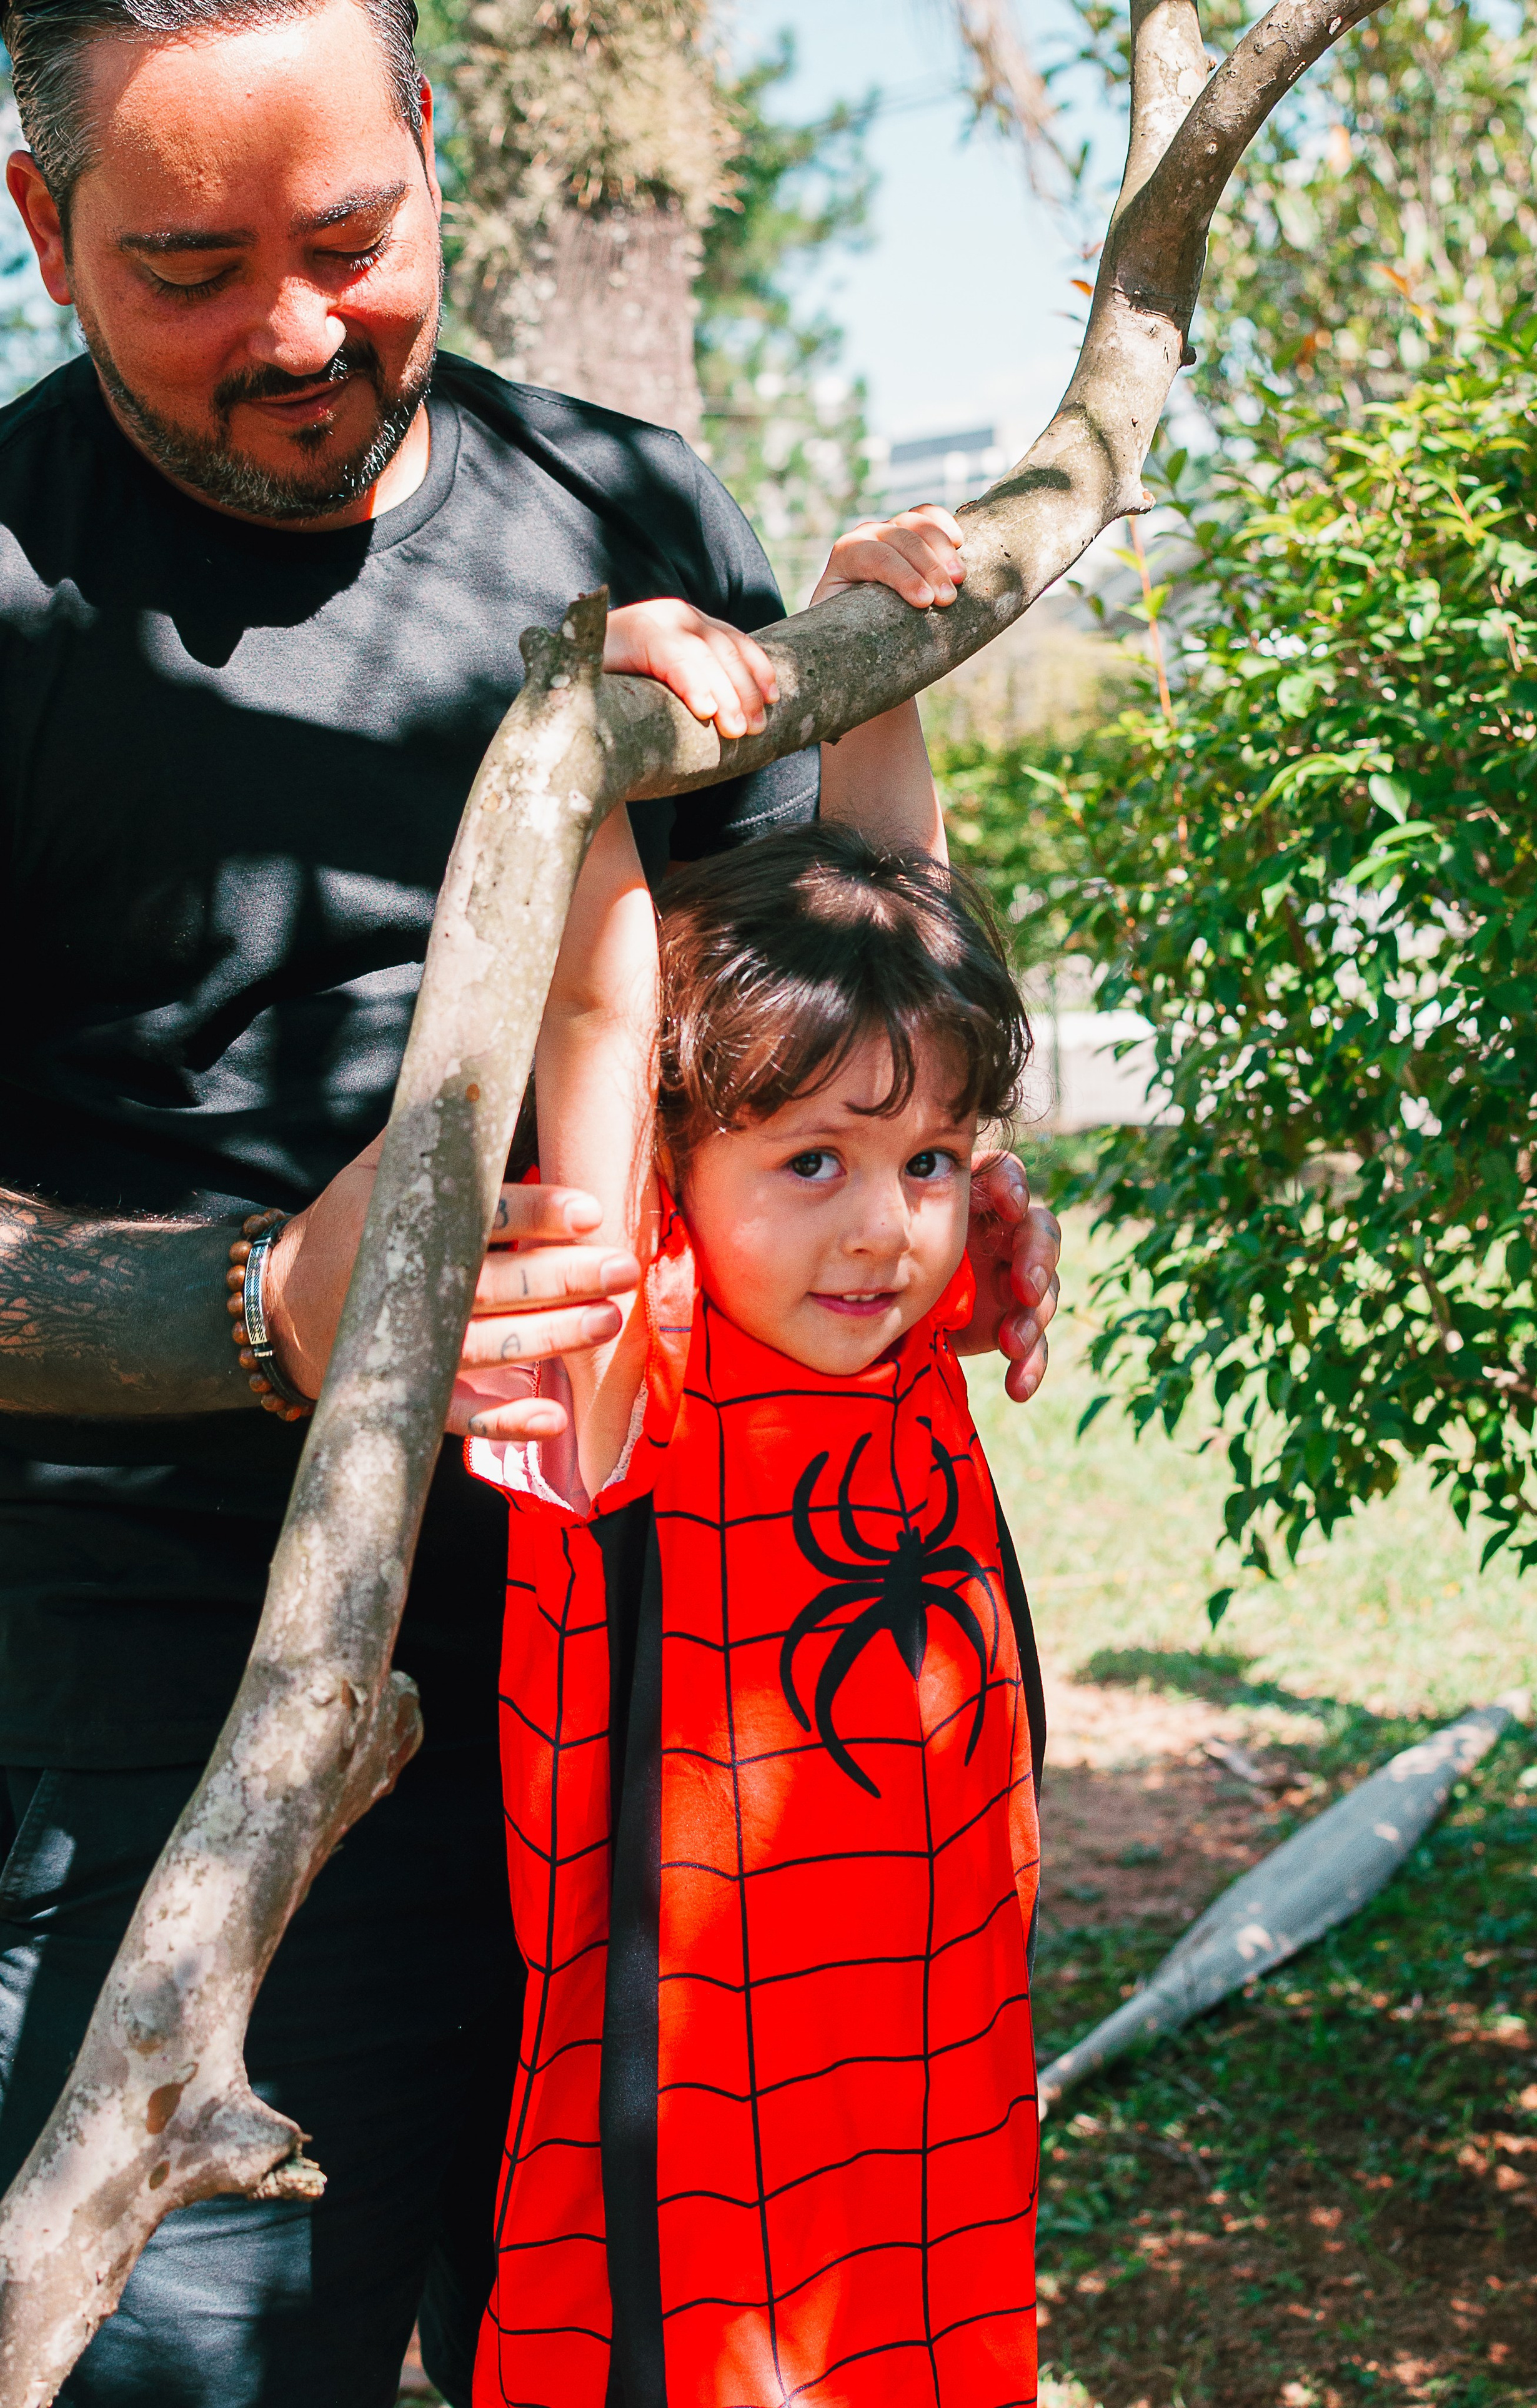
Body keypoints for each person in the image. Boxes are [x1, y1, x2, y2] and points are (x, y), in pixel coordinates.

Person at [0, 0, 1062, 2397]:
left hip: (679, 1709)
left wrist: (922, 1193)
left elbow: (806, 1005)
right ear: (41, 228)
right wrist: (257, 1303)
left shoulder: (632, 508)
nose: (294, 329)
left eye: (354, 238)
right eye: (188, 266)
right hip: (183, 1738)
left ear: (440, 149)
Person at [467, 685, 1045, 2404]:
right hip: (701, 2187)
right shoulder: (635, 1380)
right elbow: (593, 1012)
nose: (885, 1225)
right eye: (811, 1159)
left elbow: (895, 889)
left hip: (933, 2133)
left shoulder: (906, 1350)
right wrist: (584, 739)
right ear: (671, 1161)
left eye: (930, 1159)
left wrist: (891, 649)